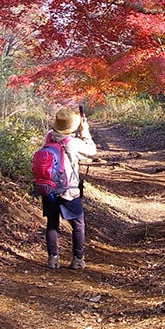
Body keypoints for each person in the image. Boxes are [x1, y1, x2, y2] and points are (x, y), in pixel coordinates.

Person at [35, 106, 97, 270]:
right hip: (68, 190)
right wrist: (85, 132)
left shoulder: (48, 136)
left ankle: (52, 259)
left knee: (52, 223)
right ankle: (77, 259)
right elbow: (92, 152)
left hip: (49, 188)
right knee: (78, 224)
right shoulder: (73, 143)